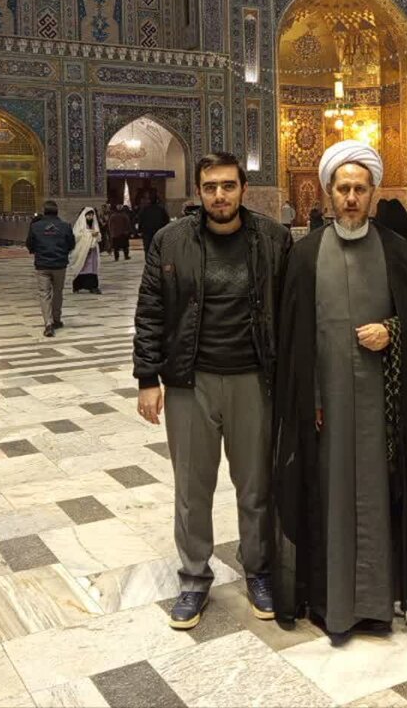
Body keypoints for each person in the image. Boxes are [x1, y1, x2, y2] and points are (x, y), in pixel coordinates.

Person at [272, 140, 407, 645]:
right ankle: (329, 600)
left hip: (383, 409)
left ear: (374, 193)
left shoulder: (396, 250)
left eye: (360, 189)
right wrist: (309, 399)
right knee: (328, 495)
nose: (351, 198)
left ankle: (377, 600)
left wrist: (392, 331)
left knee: (378, 494)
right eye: (343, 189)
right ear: (327, 193)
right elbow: (292, 340)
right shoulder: (304, 255)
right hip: (324, 408)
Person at [134, 151, 291, 631]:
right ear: (198, 192)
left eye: (227, 185)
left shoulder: (274, 239)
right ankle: (194, 578)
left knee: (257, 486)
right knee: (192, 488)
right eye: (210, 187)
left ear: (243, 188)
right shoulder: (170, 241)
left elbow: (292, 312)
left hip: (254, 381)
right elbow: (151, 310)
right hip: (190, 382)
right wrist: (147, 379)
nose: (219, 196)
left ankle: (259, 570)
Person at [26, 200, 75, 337]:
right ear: (57, 211)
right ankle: (56, 319)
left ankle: (48, 323)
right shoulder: (65, 226)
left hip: (42, 265)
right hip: (59, 264)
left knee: (44, 293)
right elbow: (71, 244)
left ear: (44, 211)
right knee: (58, 292)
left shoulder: (35, 226)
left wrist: (37, 252)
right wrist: (63, 252)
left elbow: (29, 243)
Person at [70, 206, 103, 293]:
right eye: (88, 215)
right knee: (82, 267)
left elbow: (99, 237)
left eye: (92, 215)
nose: (90, 217)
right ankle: (78, 286)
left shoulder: (94, 225)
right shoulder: (80, 225)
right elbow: (76, 236)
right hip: (83, 250)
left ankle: (93, 286)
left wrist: (96, 234)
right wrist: (89, 234)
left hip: (92, 251)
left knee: (92, 268)